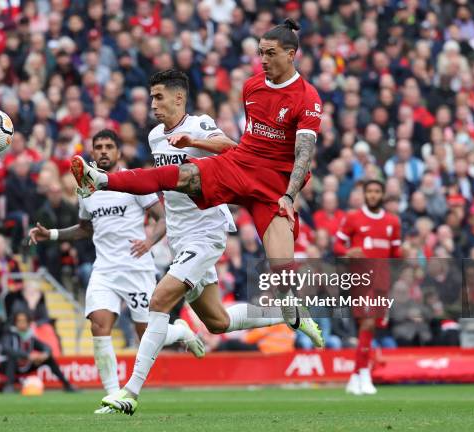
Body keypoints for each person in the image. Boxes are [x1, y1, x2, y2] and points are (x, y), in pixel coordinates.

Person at [72, 63, 324, 415]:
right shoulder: (154, 136)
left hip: (206, 232)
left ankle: (128, 393)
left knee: (158, 300)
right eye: (151, 98)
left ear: (179, 97)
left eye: (159, 97)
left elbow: (233, 148)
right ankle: (288, 313)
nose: (153, 105)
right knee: (216, 322)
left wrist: (195, 141)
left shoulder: (199, 124)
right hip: (179, 235)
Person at [30, 129, 203, 414]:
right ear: (92, 152)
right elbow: (86, 228)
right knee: (98, 325)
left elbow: (162, 218)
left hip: (136, 269)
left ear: (119, 152)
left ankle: (179, 331)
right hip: (104, 270)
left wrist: (149, 241)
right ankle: (113, 396)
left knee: (145, 333)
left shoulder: (133, 182)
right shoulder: (86, 189)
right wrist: (52, 235)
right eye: (98, 147)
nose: (103, 151)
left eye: (109, 146)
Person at [334, 179, 402, 395]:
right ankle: (363, 374)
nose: (373, 195)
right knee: (368, 324)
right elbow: (337, 244)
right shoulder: (353, 217)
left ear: (382, 195)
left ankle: (356, 376)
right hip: (361, 281)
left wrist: (406, 254)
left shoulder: (393, 222)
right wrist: (347, 252)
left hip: (382, 282)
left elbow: (395, 255)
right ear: (364, 194)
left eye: (377, 191)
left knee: (371, 328)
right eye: (369, 191)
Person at [0, 310, 76, 393]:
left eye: (24, 321)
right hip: (6, 366)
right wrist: (27, 356)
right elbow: (6, 349)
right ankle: (9, 386)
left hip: (25, 365)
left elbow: (46, 347)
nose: (22, 323)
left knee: (49, 359)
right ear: (15, 322)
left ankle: (67, 385)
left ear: (28, 322)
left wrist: (44, 355)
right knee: (11, 358)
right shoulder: (9, 334)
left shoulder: (30, 337)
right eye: (19, 321)